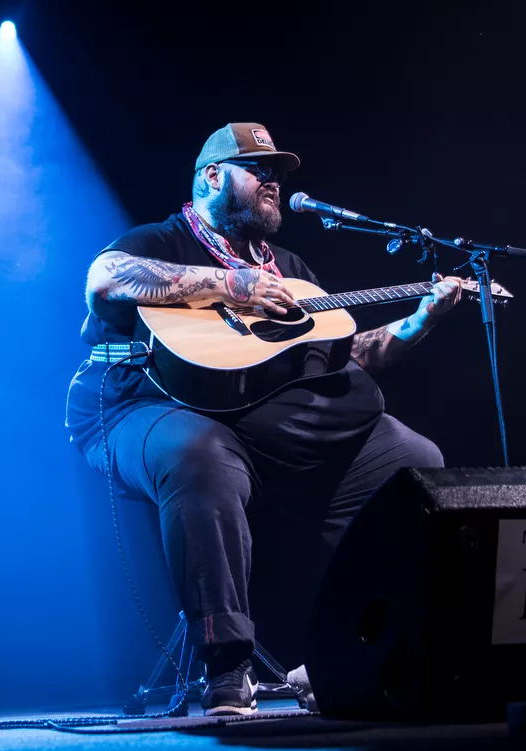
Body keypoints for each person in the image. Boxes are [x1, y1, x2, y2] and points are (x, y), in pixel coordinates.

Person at [65, 122, 463, 716]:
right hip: (135, 406)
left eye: (279, 174)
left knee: (415, 463)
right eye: (260, 171)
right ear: (212, 177)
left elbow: (338, 356)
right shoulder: (163, 239)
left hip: (256, 415)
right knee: (196, 452)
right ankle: (226, 664)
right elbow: (105, 279)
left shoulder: (292, 268)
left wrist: (419, 321)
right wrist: (232, 283)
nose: (274, 183)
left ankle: (346, 647)